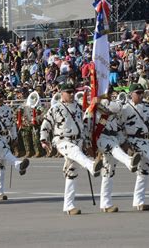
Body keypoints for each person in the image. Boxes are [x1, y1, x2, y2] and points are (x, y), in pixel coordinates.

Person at [40, 83, 102, 215]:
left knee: (71, 173)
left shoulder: (78, 108)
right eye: (68, 92)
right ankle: (91, 166)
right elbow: (46, 124)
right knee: (75, 152)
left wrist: (87, 143)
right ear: (62, 93)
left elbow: (83, 127)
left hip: (77, 140)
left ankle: (69, 206)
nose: (72, 94)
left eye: (73, 92)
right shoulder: (55, 108)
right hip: (62, 140)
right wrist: (44, 140)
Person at [93, 89, 142, 213]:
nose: (111, 95)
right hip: (101, 137)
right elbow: (88, 123)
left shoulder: (110, 109)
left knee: (109, 171)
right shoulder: (97, 106)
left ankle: (106, 203)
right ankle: (130, 162)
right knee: (115, 150)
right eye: (109, 93)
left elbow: (117, 125)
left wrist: (124, 140)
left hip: (113, 137)